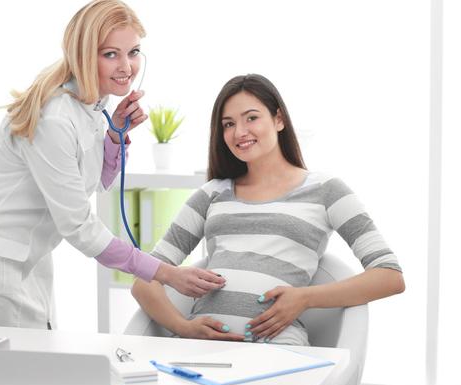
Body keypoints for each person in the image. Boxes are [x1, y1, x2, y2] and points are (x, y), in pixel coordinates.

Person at [0, 0, 224, 329]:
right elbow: (78, 226)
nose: (126, 66)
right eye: (110, 54)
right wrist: (164, 273)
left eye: (133, 52)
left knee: (28, 349)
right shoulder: (55, 117)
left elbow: (94, 182)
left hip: (19, 252)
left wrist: (115, 135)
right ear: (84, 55)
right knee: (2, 354)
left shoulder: (91, 101)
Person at [132, 74, 405, 346]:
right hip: (201, 352)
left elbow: (389, 276)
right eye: (229, 124)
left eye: (251, 118)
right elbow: (144, 280)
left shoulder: (326, 190)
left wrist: (304, 298)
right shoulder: (211, 194)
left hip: (278, 351)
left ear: (279, 119)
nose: (239, 132)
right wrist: (184, 327)